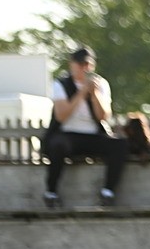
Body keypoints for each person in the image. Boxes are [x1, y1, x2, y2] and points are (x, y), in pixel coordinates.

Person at [41, 46, 129, 208]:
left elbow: (103, 116)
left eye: (87, 64)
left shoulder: (101, 84)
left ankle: (108, 191)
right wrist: (81, 93)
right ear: (72, 65)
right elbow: (61, 115)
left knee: (120, 145)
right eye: (80, 64)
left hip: (93, 135)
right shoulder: (61, 84)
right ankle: (51, 192)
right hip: (68, 135)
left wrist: (94, 94)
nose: (84, 68)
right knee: (58, 145)